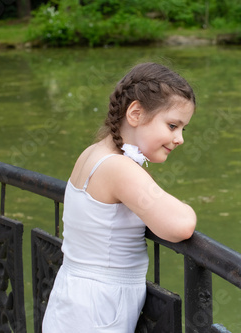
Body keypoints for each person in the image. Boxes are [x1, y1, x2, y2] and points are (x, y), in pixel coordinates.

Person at [42, 62, 197, 332]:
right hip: (98, 312)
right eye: (172, 125)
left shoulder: (94, 153)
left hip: (74, 298)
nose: (179, 138)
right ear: (135, 113)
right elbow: (180, 226)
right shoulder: (118, 167)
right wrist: (189, 210)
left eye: (183, 129)